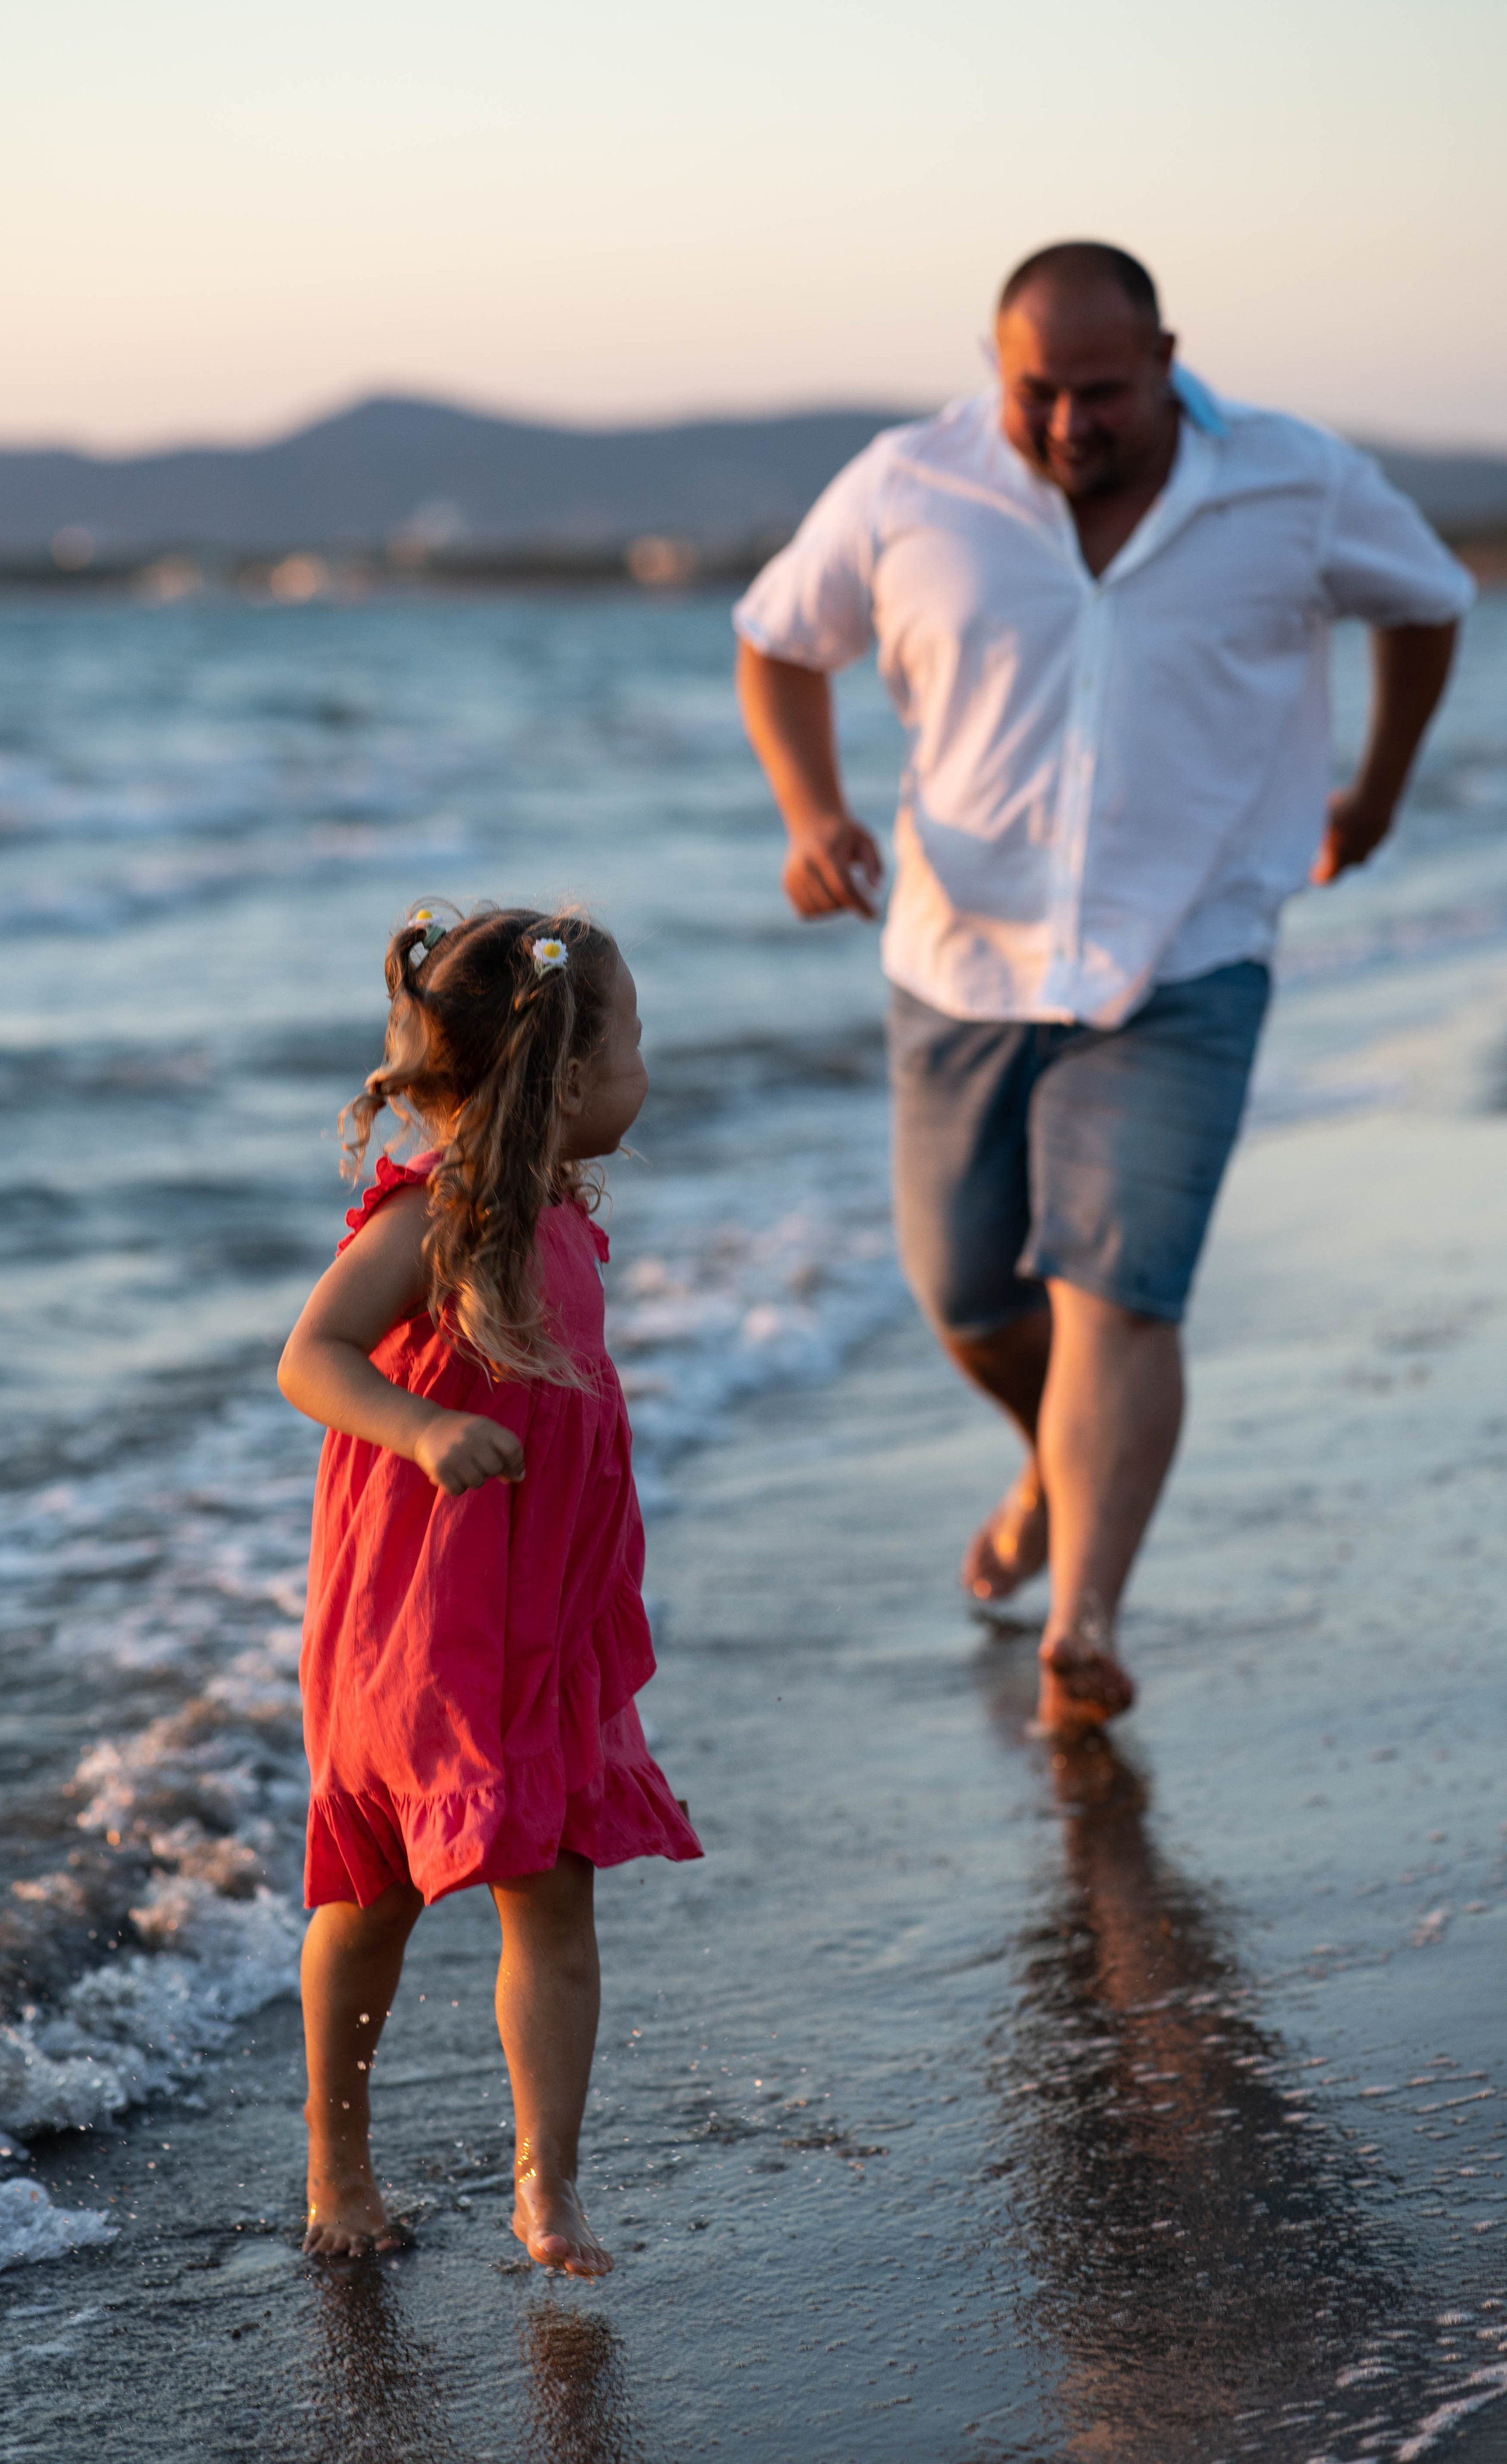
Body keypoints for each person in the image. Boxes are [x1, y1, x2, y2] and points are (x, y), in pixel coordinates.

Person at [734, 240, 1472, 1736]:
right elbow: (774, 639)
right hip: (959, 957)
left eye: (1101, 392)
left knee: (1113, 1299)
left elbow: (1427, 600)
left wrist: (1374, 794)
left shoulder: (1293, 478)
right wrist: (810, 813)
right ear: (993, 372)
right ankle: (1048, 1466)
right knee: (966, 1298)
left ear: (1166, 359)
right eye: (1035, 392)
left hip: (1186, 950)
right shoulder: (905, 482)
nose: (1069, 422)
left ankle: (1083, 1621)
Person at [277, 904, 702, 2272]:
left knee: (556, 1897)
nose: (647, 1067)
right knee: (373, 1898)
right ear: (565, 1080)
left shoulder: (559, 1213)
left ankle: (548, 2185)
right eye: (632, 1042)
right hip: (421, 1622)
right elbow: (312, 1355)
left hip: (542, 1629)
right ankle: (335, 2162)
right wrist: (419, 1429)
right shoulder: (436, 1217)